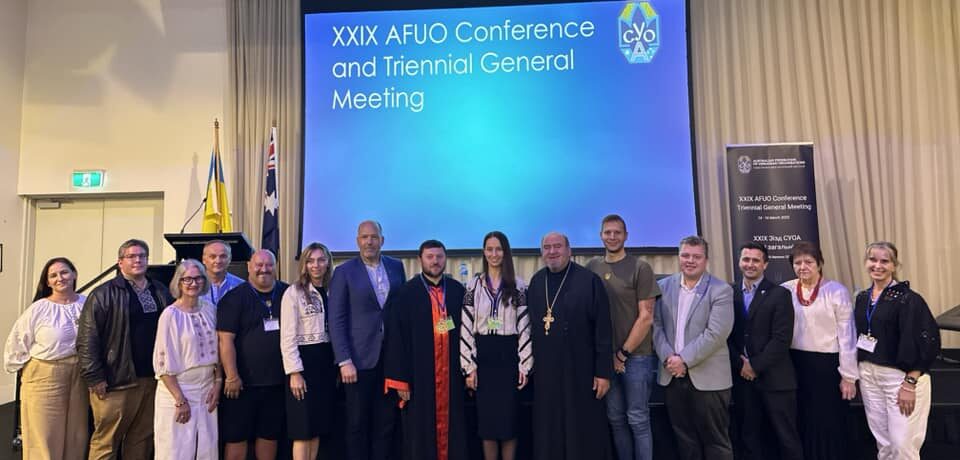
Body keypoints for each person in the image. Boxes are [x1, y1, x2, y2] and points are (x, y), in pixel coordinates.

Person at [77, 239, 173, 460]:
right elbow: (87, 339)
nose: (137, 260)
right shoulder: (103, 293)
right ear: (120, 262)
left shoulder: (159, 290)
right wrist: (95, 377)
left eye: (142, 256)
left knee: (141, 439)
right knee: (106, 441)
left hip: (153, 379)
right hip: (116, 381)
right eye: (131, 256)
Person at [527, 231, 612, 460]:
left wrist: (603, 372)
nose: (552, 251)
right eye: (547, 247)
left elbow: (603, 330)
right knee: (549, 425)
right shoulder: (536, 282)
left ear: (569, 250)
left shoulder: (588, 281)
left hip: (581, 371)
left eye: (557, 246)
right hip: (546, 373)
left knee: (580, 426)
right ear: (542, 252)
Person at [328, 220, 406, 460]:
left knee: (386, 423)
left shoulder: (396, 267)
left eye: (374, 237)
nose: (369, 241)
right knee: (357, 424)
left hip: (390, 358)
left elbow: (400, 311)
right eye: (364, 237)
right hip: (358, 360)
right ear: (357, 241)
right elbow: (336, 319)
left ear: (382, 240)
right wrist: (344, 360)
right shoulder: (344, 272)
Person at [854, 242, 940, 460]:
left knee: (903, 445)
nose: (878, 265)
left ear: (894, 265)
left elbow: (928, 342)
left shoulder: (908, 299)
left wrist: (910, 383)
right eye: (873, 259)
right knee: (884, 444)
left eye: (885, 261)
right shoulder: (862, 298)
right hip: (869, 375)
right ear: (866, 263)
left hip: (901, 379)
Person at [384, 239, 468, 460]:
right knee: (420, 434)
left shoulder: (458, 291)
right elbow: (396, 340)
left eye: (439, 257)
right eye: (430, 257)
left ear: (445, 259)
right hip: (419, 378)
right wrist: (400, 380)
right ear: (420, 259)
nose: (435, 261)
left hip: (451, 378)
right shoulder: (406, 294)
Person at [652, 235, 734, 460]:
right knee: (684, 439)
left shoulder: (721, 290)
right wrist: (669, 357)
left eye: (696, 256)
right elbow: (655, 326)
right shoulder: (662, 286)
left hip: (709, 379)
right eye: (685, 255)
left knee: (716, 442)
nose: (690, 260)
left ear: (706, 260)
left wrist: (683, 360)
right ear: (679, 257)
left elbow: (716, 333)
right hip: (672, 376)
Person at [585, 215, 660, 460]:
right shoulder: (592, 267)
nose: (612, 236)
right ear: (601, 235)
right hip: (606, 359)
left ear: (626, 235)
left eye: (617, 232)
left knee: (637, 419)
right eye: (608, 232)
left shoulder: (641, 268)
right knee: (615, 419)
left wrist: (622, 353)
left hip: (636, 357)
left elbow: (646, 317)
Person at [4, 257, 88, 460]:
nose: (60, 278)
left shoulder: (87, 303)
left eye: (65, 272)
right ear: (47, 282)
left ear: (74, 274)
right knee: (44, 437)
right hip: (45, 375)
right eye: (53, 275)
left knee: (76, 436)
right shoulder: (39, 309)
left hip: (79, 374)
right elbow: (16, 344)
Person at [781, 241, 857, 460]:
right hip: (795, 364)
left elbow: (847, 336)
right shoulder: (786, 289)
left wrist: (849, 376)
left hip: (827, 366)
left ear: (820, 264)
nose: (803, 266)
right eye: (797, 262)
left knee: (826, 420)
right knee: (801, 417)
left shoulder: (836, 291)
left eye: (808, 262)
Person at [459, 231, 532, 460]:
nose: (494, 254)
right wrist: (469, 367)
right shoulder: (473, 286)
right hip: (484, 360)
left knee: (509, 421)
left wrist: (525, 365)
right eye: (489, 249)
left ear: (506, 252)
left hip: (509, 358)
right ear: (484, 252)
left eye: (498, 249)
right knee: (487, 423)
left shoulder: (519, 285)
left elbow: (525, 327)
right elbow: (466, 328)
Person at [727, 243, 802, 460]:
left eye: (756, 260)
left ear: (765, 264)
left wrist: (754, 365)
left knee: (785, 438)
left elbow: (781, 339)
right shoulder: (728, 292)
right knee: (749, 437)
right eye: (746, 259)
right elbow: (724, 336)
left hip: (776, 380)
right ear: (740, 262)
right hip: (743, 380)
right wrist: (742, 365)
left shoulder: (780, 294)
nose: (750, 264)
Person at [217, 249, 290, 460]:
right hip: (241, 384)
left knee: (269, 436)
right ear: (249, 266)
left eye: (269, 265)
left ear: (276, 267)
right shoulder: (234, 298)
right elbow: (225, 340)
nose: (264, 269)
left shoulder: (288, 293)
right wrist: (231, 376)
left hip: (277, 383)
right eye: (258, 265)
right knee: (237, 438)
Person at [153, 259, 220, 460]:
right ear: (179, 282)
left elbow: (221, 349)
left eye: (198, 278)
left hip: (207, 390)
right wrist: (180, 400)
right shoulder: (170, 315)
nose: (193, 283)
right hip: (178, 391)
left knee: (206, 449)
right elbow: (162, 364)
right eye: (187, 279)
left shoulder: (210, 309)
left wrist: (218, 383)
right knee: (176, 450)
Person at [281, 243, 338, 460]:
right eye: (311, 260)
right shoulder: (293, 293)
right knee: (302, 429)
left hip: (326, 362)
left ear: (328, 262)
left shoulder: (334, 289)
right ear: (304, 264)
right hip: (304, 364)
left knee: (318, 426)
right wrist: (294, 372)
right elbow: (287, 337)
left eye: (321, 260)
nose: (316, 265)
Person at [201, 239, 245, 305]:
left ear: (229, 259)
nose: (218, 261)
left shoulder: (241, 287)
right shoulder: (193, 286)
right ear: (204, 260)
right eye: (213, 257)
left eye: (223, 256)